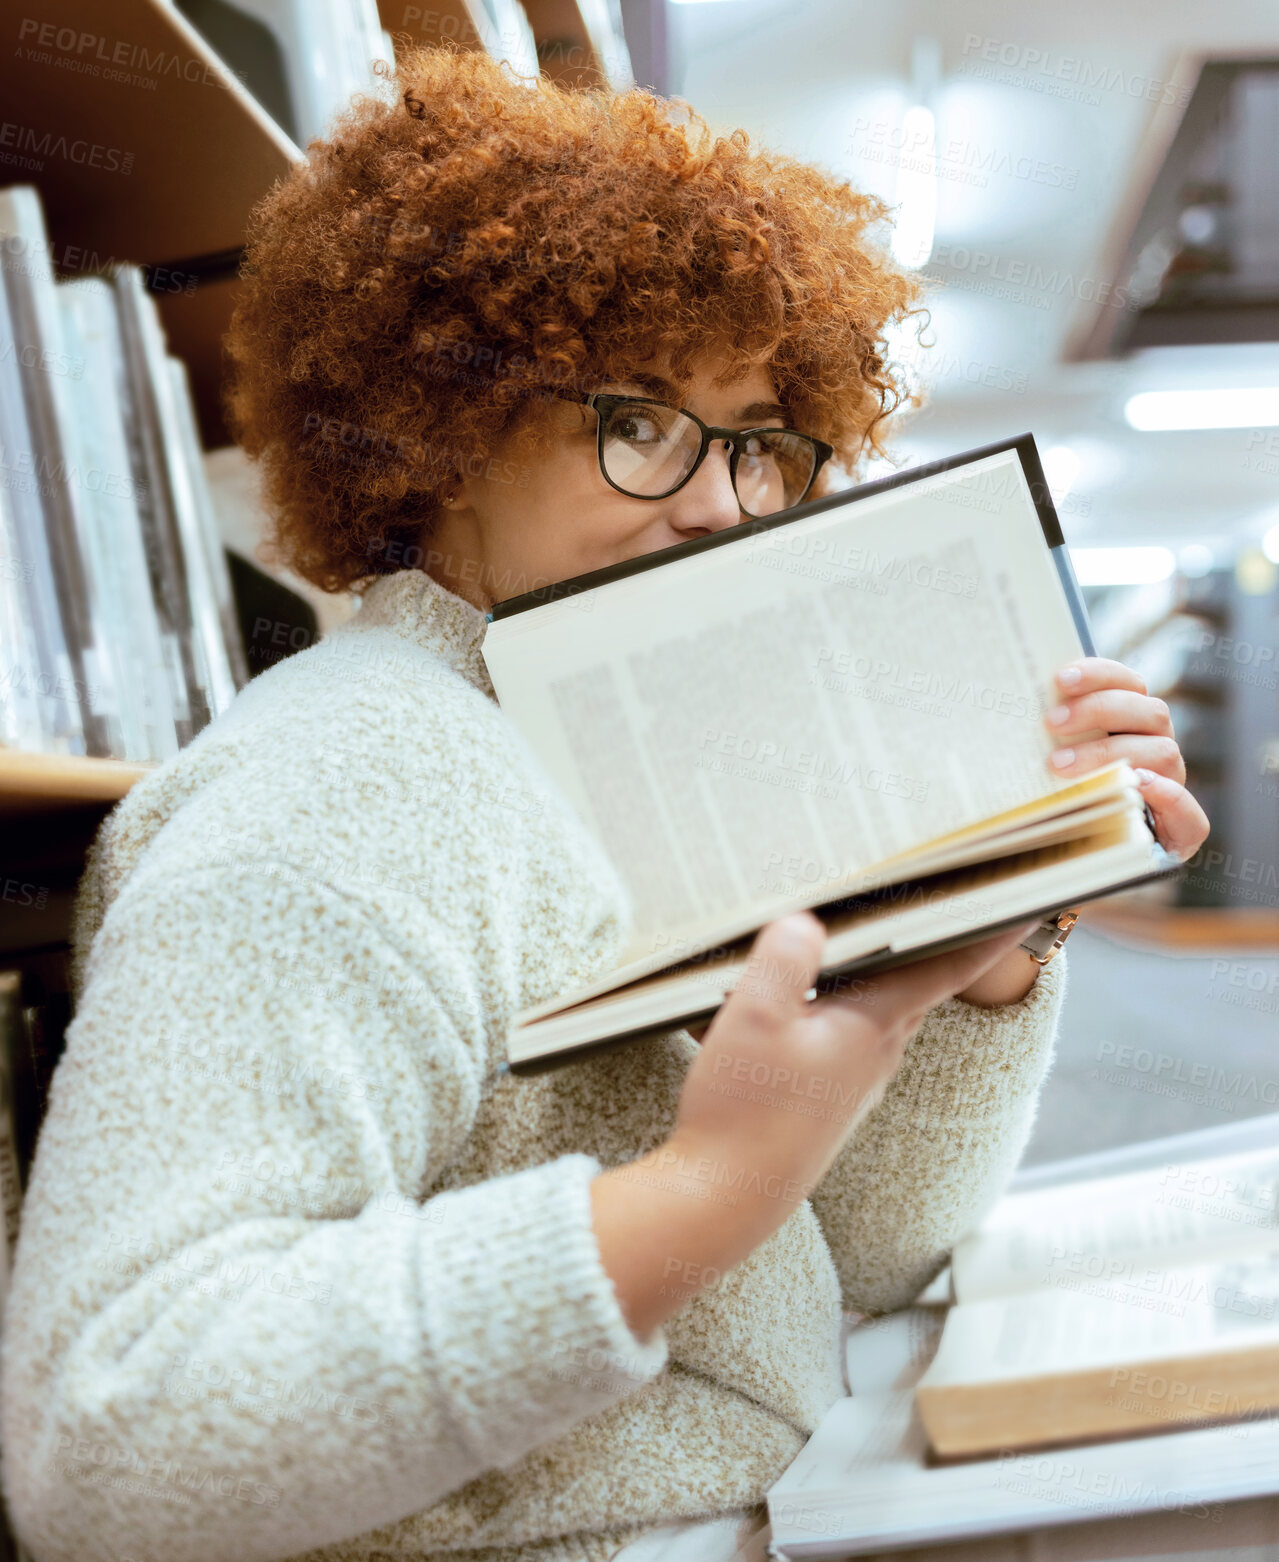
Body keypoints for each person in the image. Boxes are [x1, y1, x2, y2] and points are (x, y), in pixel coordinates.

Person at [0, 42, 1209, 1562]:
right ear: (442, 424)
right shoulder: (341, 786)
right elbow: (115, 1446)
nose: (719, 501)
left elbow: (853, 1267)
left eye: (762, 442)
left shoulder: (609, 740)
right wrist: (699, 1188)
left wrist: (968, 972)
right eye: (638, 420)